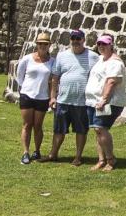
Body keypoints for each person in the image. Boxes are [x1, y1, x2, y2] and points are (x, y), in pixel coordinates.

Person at [48, 28, 97, 164]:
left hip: (82, 102)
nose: (75, 41)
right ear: (70, 40)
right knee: (59, 130)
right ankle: (53, 154)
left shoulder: (93, 56)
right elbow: (55, 78)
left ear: (83, 40)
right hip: (63, 99)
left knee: (81, 130)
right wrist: (53, 97)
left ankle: (78, 156)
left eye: (78, 39)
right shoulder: (62, 56)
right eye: (73, 39)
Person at [85, 33, 126, 172]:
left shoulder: (115, 62)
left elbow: (111, 82)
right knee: (97, 130)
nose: (101, 46)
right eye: (99, 44)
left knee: (100, 128)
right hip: (93, 101)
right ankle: (101, 160)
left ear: (111, 45)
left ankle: (110, 159)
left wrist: (103, 99)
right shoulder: (101, 59)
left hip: (109, 102)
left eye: (104, 44)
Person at [11, 31, 56, 164]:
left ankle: (37, 151)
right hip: (27, 95)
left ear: (49, 46)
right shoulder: (27, 59)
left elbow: (53, 79)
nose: (43, 46)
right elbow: (20, 75)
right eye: (40, 43)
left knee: (38, 125)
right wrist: (24, 88)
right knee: (27, 124)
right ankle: (25, 152)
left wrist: (51, 96)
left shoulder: (53, 61)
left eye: (45, 44)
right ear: (36, 44)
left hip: (42, 97)